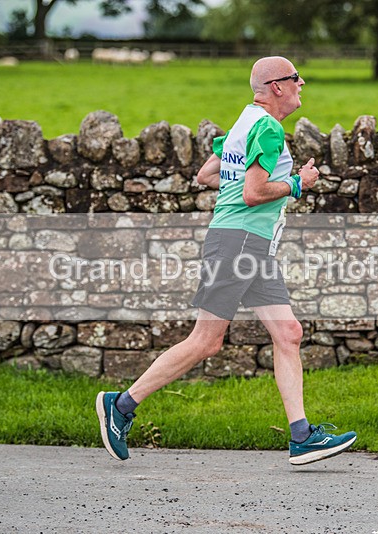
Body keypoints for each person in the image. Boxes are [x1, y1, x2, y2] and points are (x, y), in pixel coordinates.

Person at [96, 56, 356, 465]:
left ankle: (302, 436)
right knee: (206, 341)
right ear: (276, 86)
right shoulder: (267, 128)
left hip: (251, 247)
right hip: (237, 244)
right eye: (295, 78)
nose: (302, 83)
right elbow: (253, 193)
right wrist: (297, 183)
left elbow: (207, 175)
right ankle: (121, 405)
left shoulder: (245, 122)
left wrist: (255, 186)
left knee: (288, 332)